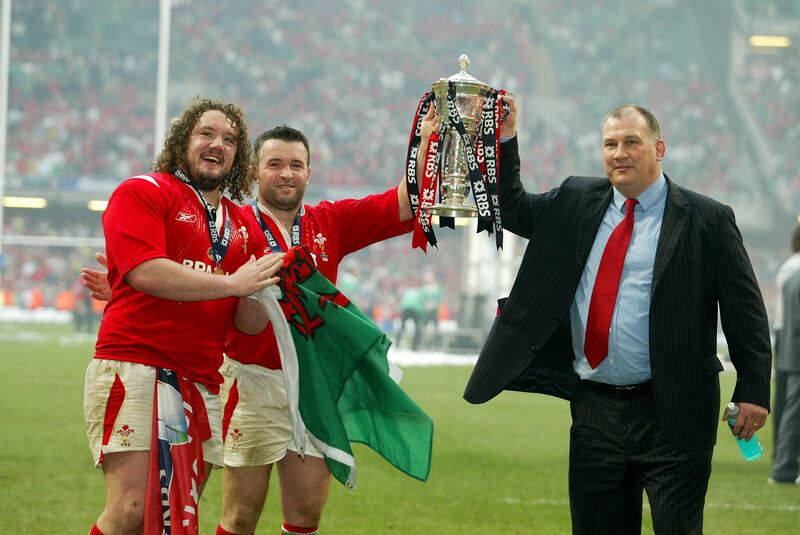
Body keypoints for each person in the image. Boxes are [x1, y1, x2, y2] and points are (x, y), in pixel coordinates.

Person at [458, 99, 772, 533]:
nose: (619, 153)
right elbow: (509, 208)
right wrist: (506, 137)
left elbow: (746, 313)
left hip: (676, 412)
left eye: (631, 142)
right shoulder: (575, 200)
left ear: (659, 149)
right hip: (595, 412)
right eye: (610, 144)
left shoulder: (708, 219)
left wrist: (753, 387)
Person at [82, 98, 284, 535]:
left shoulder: (242, 224)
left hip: (201, 384)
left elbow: (247, 323)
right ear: (182, 141)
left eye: (230, 140)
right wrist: (232, 282)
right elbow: (145, 271)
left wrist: (262, 290)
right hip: (136, 364)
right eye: (206, 134)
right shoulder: (143, 190)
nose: (218, 145)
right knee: (133, 509)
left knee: (172, 514)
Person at [217, 125, 414, 535]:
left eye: (295, 165)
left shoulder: (331, 221)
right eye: (274, 164)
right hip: (253, 384)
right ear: (255, 172)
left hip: (315, 388)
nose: (285, 173)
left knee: (306, 517)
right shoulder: (231, 225)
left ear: (309, 172)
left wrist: (425, 141)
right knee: (239, 517)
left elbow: (403, 204)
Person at [771, 222, 800, 455]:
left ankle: (782, 453)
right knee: (790, 400)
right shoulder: (795, 268)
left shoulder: (790, 265)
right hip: (791, 333)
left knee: (786, 398)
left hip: (786, 332)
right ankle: (784, 455)